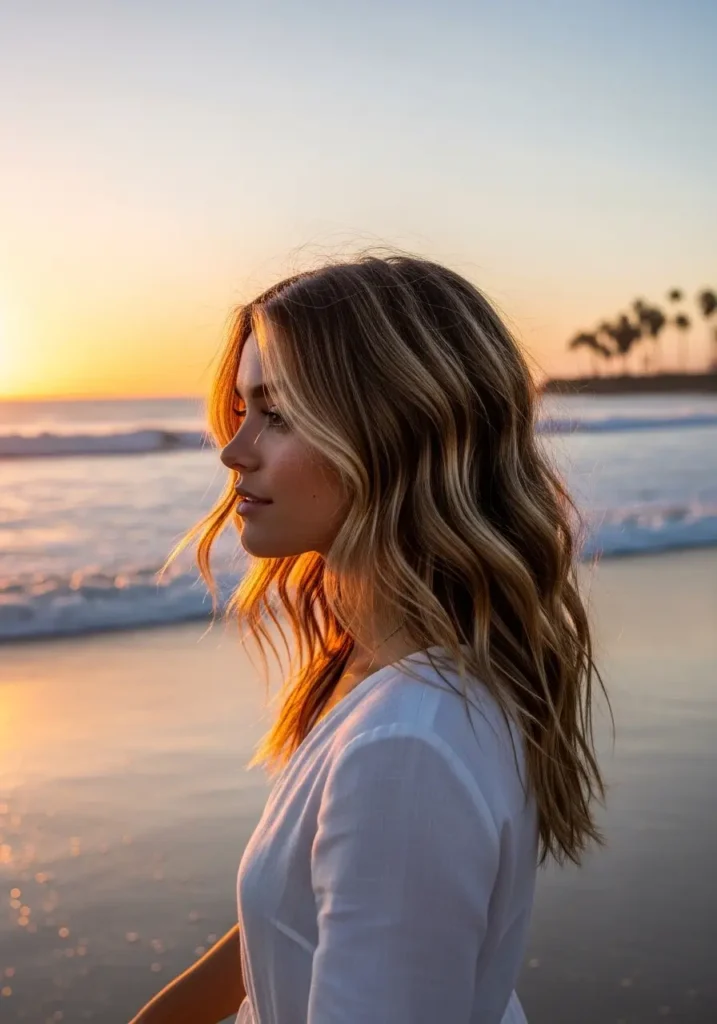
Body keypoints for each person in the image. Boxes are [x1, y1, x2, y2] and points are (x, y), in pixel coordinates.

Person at [131, 250, 608, 1024]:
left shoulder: (403, 749)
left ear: (395, 432)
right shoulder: (384, 667)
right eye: (242, 410)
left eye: (277, 414)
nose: (234, 449)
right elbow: (299, 915)